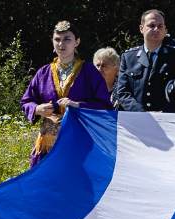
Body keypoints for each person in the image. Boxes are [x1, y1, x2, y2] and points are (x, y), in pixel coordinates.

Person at [22, 21, 114, 163]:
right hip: (48, 145)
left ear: (76, 42)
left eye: (67, 39)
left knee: (75, 183)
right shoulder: (43, 72)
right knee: (47, 183)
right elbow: (27, 101)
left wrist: (77, 105)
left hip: (80, 143)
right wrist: (36, 109)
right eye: (57, 39)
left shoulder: (90, 72)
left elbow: (105, 106)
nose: (61, 44)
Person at [115, 10, 175, 112]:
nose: (156, 29)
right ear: (141, 28)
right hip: (136, 120)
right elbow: (122, 92)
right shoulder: (128, 58)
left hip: (167, 121)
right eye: (151, 25)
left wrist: (164, 114)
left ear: (165, 30)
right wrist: (141, 113)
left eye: (160, 26)